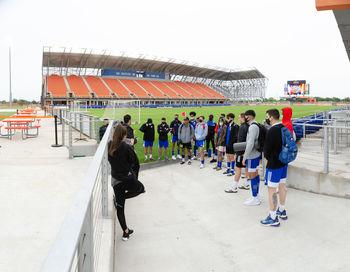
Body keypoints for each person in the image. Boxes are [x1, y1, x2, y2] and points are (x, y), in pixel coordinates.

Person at [108, 124, 145, 241]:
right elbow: (135, 163)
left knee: (120, 207)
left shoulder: (109, 145)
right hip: (127, 179)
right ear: (124, 136)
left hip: (116, 180)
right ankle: (126, 230)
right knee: (141, 189)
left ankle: (125, 232)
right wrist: (134, 176)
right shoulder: (126, 147)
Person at [260, 109, 287, 227]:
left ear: (271, 117)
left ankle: (272, 217)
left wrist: (268, 157)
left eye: (267, 116)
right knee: (281, 186)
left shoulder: (272, 131)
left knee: (271, 190)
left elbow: (266, 150)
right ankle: (282, 210)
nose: (267, 118)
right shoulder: (284, 128)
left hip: (274, 164)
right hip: (283, 163)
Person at [225, 113, 249, 193]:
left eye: (239, 118)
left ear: (242, 118)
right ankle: (246, 184)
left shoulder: (242, 127)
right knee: (246, 167)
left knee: (238, 168)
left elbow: (241, 140)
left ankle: (234, 187)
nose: (238, 119)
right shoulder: (247, 126)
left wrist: (238, 151)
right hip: (246, 151)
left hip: (241, 151)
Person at [243, 110, 261, 206]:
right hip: (255, 154)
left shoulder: (253, 127)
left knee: (252, 175)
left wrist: (245, 157)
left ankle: (255, 197)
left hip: (252, 155)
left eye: (245, 116)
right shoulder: (255, 124)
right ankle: (256, 195)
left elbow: (250, 143)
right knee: (255, 175)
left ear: (249, 117)